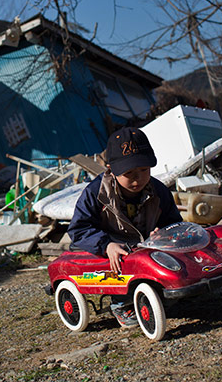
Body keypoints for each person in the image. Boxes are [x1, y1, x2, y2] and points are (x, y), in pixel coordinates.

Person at [67, 126, 183, 327]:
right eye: (129, 173)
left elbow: (174, 223)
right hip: (110, 248)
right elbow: (78, 229)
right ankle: (122, 303)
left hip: (144, 246)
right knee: (119, 260)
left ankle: (164, 289)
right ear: (111, 169)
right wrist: (105, 245)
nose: (138, 178)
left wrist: (163, 234)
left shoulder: (159, 191)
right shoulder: (96, 193)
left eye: (144, 170)